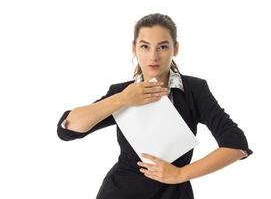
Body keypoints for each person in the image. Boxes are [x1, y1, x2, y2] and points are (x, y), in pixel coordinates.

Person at [57, 13, 253, 199]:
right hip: (120, 191)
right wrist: (122, 99)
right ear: (134, 48)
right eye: (145, 46)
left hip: (174, 193)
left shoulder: (194, 90)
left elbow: (236, 145)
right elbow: (68, 129)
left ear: (175, 48)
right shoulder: (123, 92)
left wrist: (180, 174)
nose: (153, 56)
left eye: (162, 47)